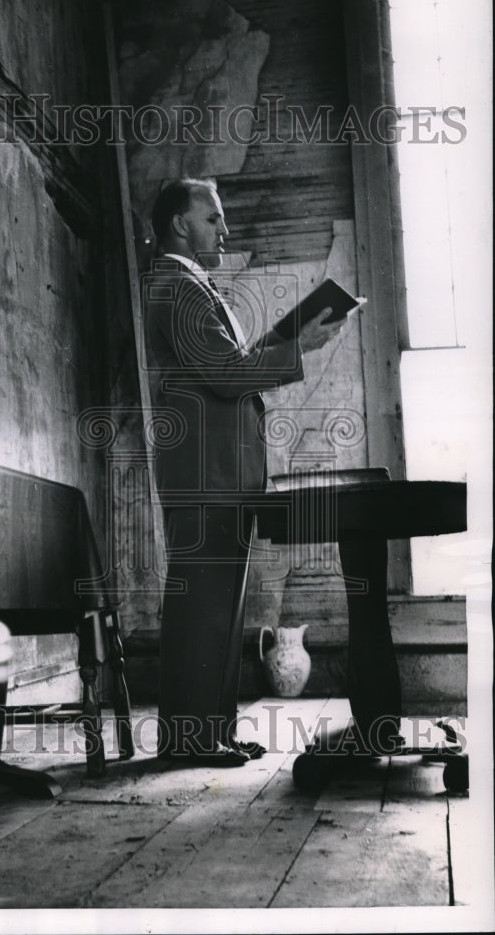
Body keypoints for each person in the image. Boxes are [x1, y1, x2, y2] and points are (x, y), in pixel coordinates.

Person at [142, 177, 344, 765]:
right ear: (180, 223)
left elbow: (226, 365)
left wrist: (287, 342)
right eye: (214, 218)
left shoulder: (191, 286)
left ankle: (213, 732)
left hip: (219, 472)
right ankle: (191, 740)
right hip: (207, 474)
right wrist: (295, 346)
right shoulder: (177, 287)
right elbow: (228, 376)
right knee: (203, 613)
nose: (224, 230)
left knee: (221, 611)